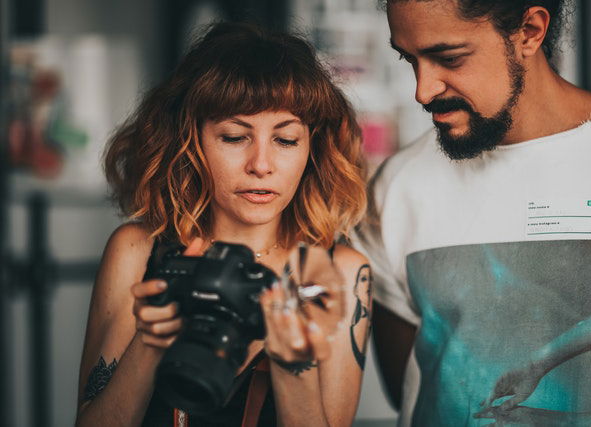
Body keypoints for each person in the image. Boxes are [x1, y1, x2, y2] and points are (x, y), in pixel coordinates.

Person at [352, 0, 591, 425]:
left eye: (450, 57)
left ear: (530, 32)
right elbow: (412, 389)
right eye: (409, 58)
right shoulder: (398, 185)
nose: (423, 89)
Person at [76, 22, 372, 427]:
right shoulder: (138, 251)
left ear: (311, 148)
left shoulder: (338, 272)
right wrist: (152, 338)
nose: (261, 166)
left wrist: (292, 361)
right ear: (190, 139)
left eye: (285, 140)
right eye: (234, 137)